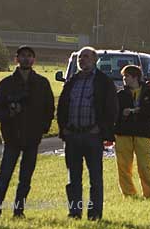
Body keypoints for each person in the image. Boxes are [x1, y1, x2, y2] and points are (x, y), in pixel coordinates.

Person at [0, 45, 55, 219]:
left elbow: (49, 109)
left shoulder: (42, 83)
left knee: (25, 180)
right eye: (23, 56)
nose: (26, 59)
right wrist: (9, 114)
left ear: (34, 60)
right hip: (11, 138)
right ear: (16, 59)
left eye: (29, 56)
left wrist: (42, 129)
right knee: (4, 178)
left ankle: (19, 212)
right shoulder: (6, 84)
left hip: (33, 139)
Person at [56, 46, 117, 221]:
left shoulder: (104, 82)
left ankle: (94, 214)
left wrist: (101, 129)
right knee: (73, 178)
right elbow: (62, 107)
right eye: (81, 57)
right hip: (72, 136)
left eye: (87, 57)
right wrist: (64, 129)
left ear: (95, 59)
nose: (83, 60)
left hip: (93, 136)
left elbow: (112, 109)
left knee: (95, 178)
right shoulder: (72, 81)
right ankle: (74, 212)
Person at [114, 65, 150, 199]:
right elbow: (113, 113)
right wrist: (123, 113)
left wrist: (139, 111)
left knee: (144, 166)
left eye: (126, 76)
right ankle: (128, 194)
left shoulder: (148, 93)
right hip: (123, 134)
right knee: (123, 166)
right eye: (123, 76)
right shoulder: (120, 95)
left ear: (135, 77)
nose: (124, 79)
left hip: (142, 133)